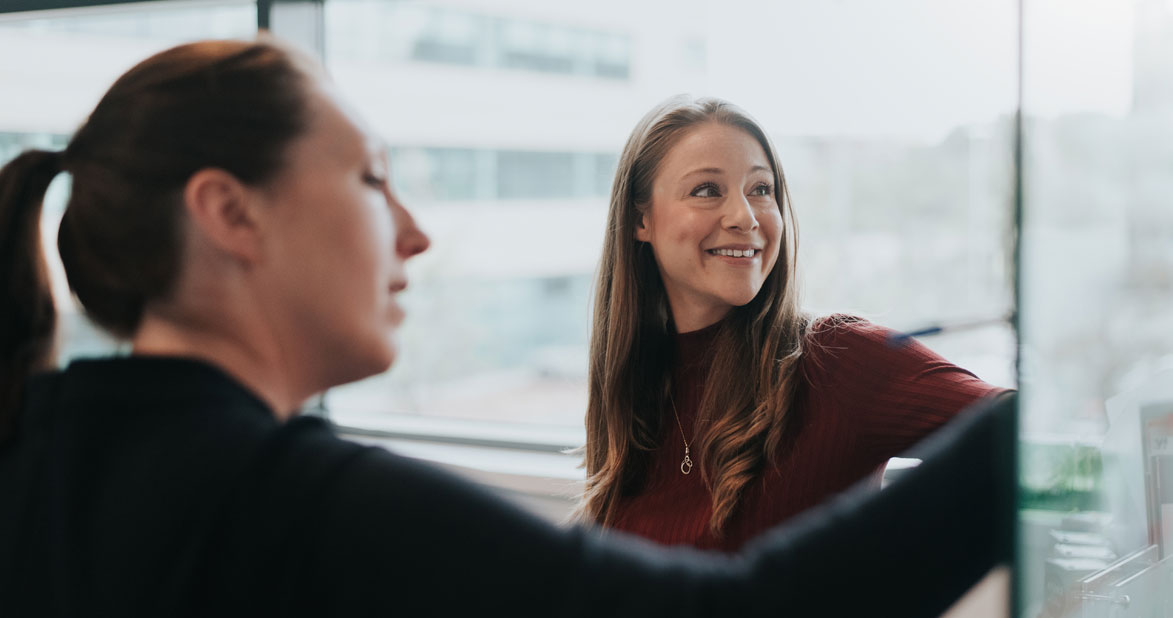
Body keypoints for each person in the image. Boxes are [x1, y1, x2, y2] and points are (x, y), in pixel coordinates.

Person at [0, 37, 1012, 617]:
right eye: (371, 182)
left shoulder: (38, 454)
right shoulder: (308, 506)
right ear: (230, 213)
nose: (416, 233)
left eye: (762, 191)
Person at [580, 95, 1009, 550]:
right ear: (639, 219)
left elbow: (1023, 430)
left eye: (761, 190)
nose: (744, 217)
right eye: (707, 190)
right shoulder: (633, 388)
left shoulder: (837, 359)